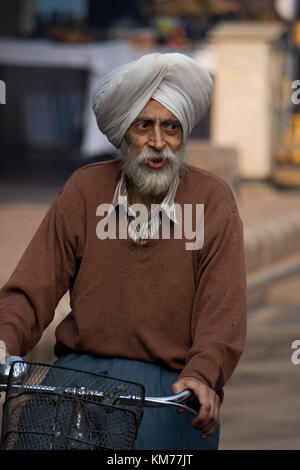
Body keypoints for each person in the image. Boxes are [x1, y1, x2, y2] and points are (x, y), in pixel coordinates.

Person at [0, 52, 247, 450]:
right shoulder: (85, 189)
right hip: (78, 379)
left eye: (171, 127)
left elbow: (223, 311)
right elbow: (33, 286)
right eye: (143, 125)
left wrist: (203, 374)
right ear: (123, 132)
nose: (157, 142)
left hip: (169, 391)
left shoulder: (212, 199)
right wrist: (4, 341)